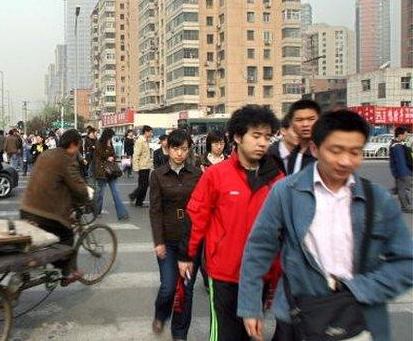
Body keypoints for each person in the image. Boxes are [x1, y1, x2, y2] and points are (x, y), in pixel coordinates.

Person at [238, 110, 413, 341]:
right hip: (300, 316)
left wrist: (360, 288)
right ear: (315, 149)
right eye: (336, 150)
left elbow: (406, 262)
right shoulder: (286, 192)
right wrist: (250, 306)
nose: (345, 161)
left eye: (355, 152)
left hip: (359, 320)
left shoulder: (377, 199)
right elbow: (259, 249)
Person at [178, 105, 283, 341]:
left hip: (260, 275)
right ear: (237, 137)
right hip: (224, 272)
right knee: (225, 333)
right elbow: (197, 216)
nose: (262, 143)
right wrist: (186, 255)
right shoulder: (216, 175)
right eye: (255, 136)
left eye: (267, 137)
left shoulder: (277, 178)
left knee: (251, 333)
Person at [20, 129, 93, 285]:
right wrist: (88, 200)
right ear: (73, 144)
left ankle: (29, 268)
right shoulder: (66, 159)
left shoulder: (47, 153)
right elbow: (78, 187)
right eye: (78, 146)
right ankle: (67, 273)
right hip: (45, 213)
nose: (78, 150)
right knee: (66, 236)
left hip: (26, 208)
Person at [149, 129, 202, 340]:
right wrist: (158, 241)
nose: (180, 153)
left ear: (189, 150)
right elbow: (155, 211)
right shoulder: (158, 175)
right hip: (168, 240)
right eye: (176, 148)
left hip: (189, 241)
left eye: (184, 149)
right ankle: (161, 314)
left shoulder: (197, 173)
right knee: (168, 287)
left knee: (186, 291)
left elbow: (201, 207)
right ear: (168, 148)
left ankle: (179, 335)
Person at [94, 128, 129, 221]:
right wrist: (108, 153)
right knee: (100, 194)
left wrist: (111, 155)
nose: (111, 138)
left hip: (112, 172)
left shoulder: (110, 143)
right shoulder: (99, 143)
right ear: (106, 136)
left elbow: (113, 155)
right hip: (102, 172)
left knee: (116, 192)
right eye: (110, 137)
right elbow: (103, 155)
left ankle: (121, 214)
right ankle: (97, 211)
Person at [286, 99, 321, 174]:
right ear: (290, 123)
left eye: (311, 119)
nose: (305, 124)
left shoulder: (323, 154)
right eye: (299, 120)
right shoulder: (292, 155)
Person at [389, 126, 413, 213]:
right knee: (402, 189)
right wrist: (404, 174)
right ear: (400, 135)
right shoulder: (397, 147)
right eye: (405, 135)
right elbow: (400, 162)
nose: (406, 137)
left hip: (402, 172)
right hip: (403, 172)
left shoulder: (397, 144)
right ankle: (405, 207)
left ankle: (406, 205)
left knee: (399, 188)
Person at [130, 125, 154, 207]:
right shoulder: (140, 141)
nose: (151, 133)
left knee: (143, 185)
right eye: (150, 132)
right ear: (146, 132)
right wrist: (136, 167)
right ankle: (133, 195)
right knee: (144, 185)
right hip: (142, 167)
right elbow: (136, 155)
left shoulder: (145, 140)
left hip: (146, 166)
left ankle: (138, 202)